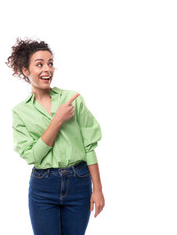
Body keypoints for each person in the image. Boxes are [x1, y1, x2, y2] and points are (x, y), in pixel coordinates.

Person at [7, 37, 105, 235]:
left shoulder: (72, 99)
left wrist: (98, 189)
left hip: (79, 181)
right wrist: (58, 120)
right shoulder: (20, 112)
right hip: (43, 187)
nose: (47, 69)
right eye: (39, 64)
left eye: (50, 64)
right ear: (26, 71)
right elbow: (33, 156)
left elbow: (89, 145)